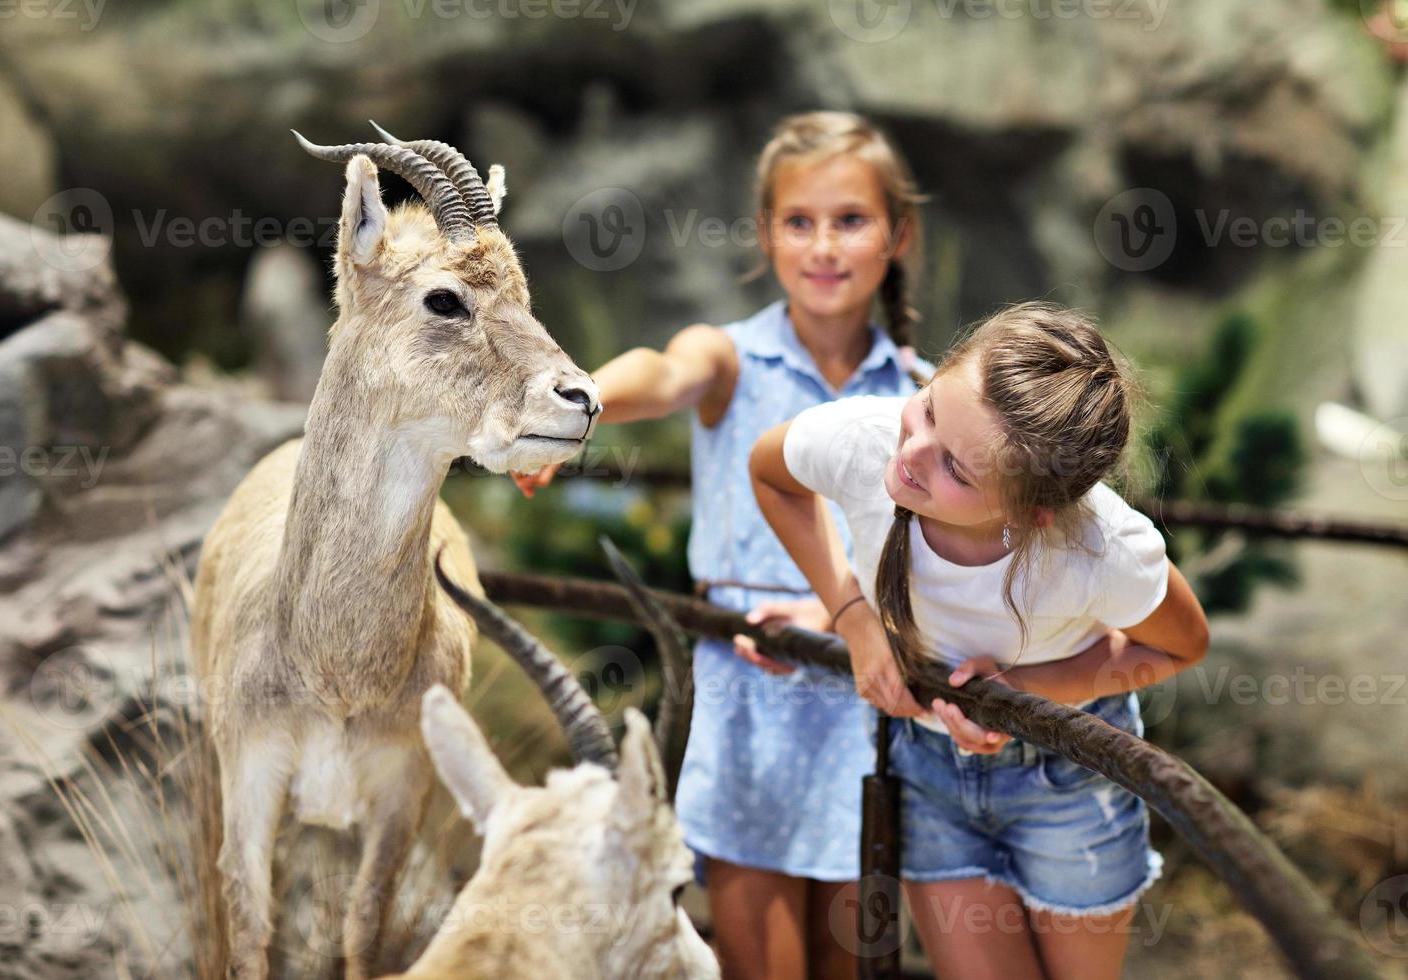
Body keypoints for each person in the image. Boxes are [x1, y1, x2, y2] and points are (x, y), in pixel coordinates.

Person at [512, 110, 932, 979]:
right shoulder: (730, 359)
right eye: (799, 222)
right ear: (765, 234)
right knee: (760, 959)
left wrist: (834, 607)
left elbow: (928, 552)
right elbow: (662, 374)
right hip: (751, 695)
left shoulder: (924, 395)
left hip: (867, 695)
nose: (824, 246)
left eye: (850, 220)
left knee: (854, 956)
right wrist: (581, 400)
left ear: (898, 234)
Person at [749, 301, 1211, 979]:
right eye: (930, 410)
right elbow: (771, 473)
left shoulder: (1100, 551)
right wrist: (849, 617)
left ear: (1034, 514)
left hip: (1070, 780)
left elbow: (1179, 646)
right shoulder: (865, 438)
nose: (910, 455)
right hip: (931, 771)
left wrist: (1028, 692)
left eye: (958, 471)